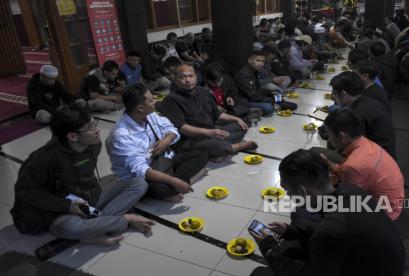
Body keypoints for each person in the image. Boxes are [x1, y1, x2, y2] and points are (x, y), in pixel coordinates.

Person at [11, 104, 154, 244]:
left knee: (139, 183)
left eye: (95, 123)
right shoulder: (43, 158)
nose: (98, 130)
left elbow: (85, 176)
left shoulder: (93, 144)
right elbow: (25, 191)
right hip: (60, 209)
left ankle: (97, 227)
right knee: (71, 228)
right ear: (73, 136)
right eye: (91, 127)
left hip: (88, 197)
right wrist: (66, 205)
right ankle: (120, 221)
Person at [249, 149, 405, 275]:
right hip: (379, 264)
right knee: (295, 232)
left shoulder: (330, 231)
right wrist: (290, 231)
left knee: (260, 273)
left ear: (302, 192)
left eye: (288, 191)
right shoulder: (351, 191)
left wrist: (269, 247)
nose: (288, 196)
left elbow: (329, 235)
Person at [107, 84, 208, 203]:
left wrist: (166, 141)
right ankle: (179, 184)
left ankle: (177, 184)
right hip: (142, 176)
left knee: (201, 155)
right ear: (140, 108)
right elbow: (141, 170)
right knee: (159, 188)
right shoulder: (121, 135)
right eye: (151, 100)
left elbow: (172, 129)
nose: (155, 101)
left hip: (162, 162)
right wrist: (173, 181)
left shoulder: (150, 114)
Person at [161, 64, 258, 160]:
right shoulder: (171, 100)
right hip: (190, 138)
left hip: (211, 129)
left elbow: (217, 114)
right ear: (175, 80)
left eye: (191, 76)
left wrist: (236, 119)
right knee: (211, 144)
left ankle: (221, 149)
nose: (188, 80)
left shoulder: (204, 91)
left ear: (196, 77)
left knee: (239, 126)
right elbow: (182, 128)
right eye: (182, 77)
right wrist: (209, 133)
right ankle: (236, 147)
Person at [321, 109, 404, 220]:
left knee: (307, 211)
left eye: (330, 136)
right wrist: (327, 162)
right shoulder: (364, 143)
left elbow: (348, 202)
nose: (330, 141)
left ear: (342, 136)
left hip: (384, 215)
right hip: (394, 199)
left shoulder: (353, 166)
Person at [329, 71, 395, 158]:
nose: (333, 97)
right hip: (384, 154)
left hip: (374, 159)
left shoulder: (356, 114)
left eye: (334, 94)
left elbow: (347, 144)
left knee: (318, 152)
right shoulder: (367, 99)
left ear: (343, 94)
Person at [235, 51, 297, 115]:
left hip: (254, 97)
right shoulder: (245, 74)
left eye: (262, 61)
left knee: (277, 93)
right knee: (268, 108)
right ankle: (275, 104)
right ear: (250, 60)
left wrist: (270, 93)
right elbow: (252, 96)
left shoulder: (254, 71)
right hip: (245, 101)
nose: (261, 64)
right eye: (258, 61)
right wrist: (271, 100)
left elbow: (258, 89)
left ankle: (279, 103)